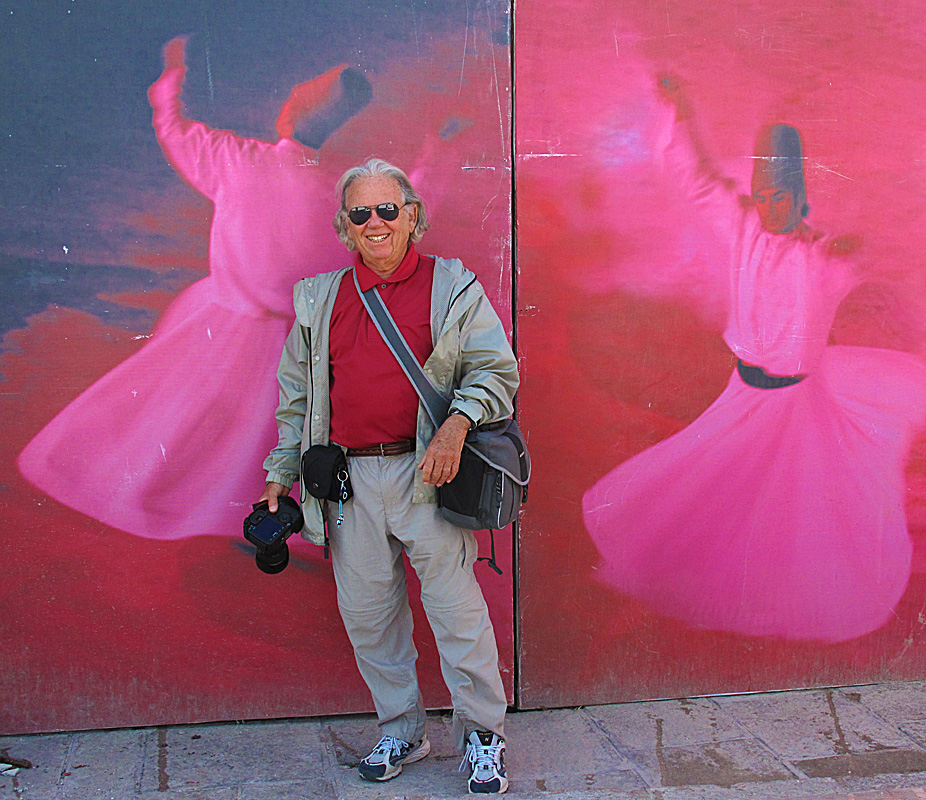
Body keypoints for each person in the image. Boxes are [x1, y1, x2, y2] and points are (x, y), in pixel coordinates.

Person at [581, 75, 926, 643]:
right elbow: (694, 181)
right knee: (703, 484)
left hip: (797, 406)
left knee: (799, 507)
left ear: (800, 196)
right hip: (741, 395)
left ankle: (802, 591)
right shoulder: (741, 225)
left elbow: (863, 254)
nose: (768, 208)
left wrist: (852, 251)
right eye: (761, 196)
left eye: (780, 198)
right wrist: (680, 111)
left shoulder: (821, 257)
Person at [17, 37, 369, 539]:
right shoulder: (337, 189)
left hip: (223, 319)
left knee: (180, 413)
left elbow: (174, 130)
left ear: (289, 113)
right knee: (264, 433)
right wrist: (438, 156)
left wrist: (171, 78)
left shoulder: (241, 159)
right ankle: (259, 513)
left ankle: (168, 493)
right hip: (294, 339)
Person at [260, 158, 518, 793]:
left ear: (412, 218)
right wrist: (280, 471)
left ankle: (484, 736)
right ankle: (402, 729)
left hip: (430, 470)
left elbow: (495, 372)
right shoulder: (321, 300)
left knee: (456, 612)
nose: (375, 223)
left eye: (387, 210)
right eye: (360, 213)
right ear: (345, 228)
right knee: (369, 615)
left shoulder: (451, 287)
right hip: (349, 483)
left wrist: (456, 426)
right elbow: (297, 396)